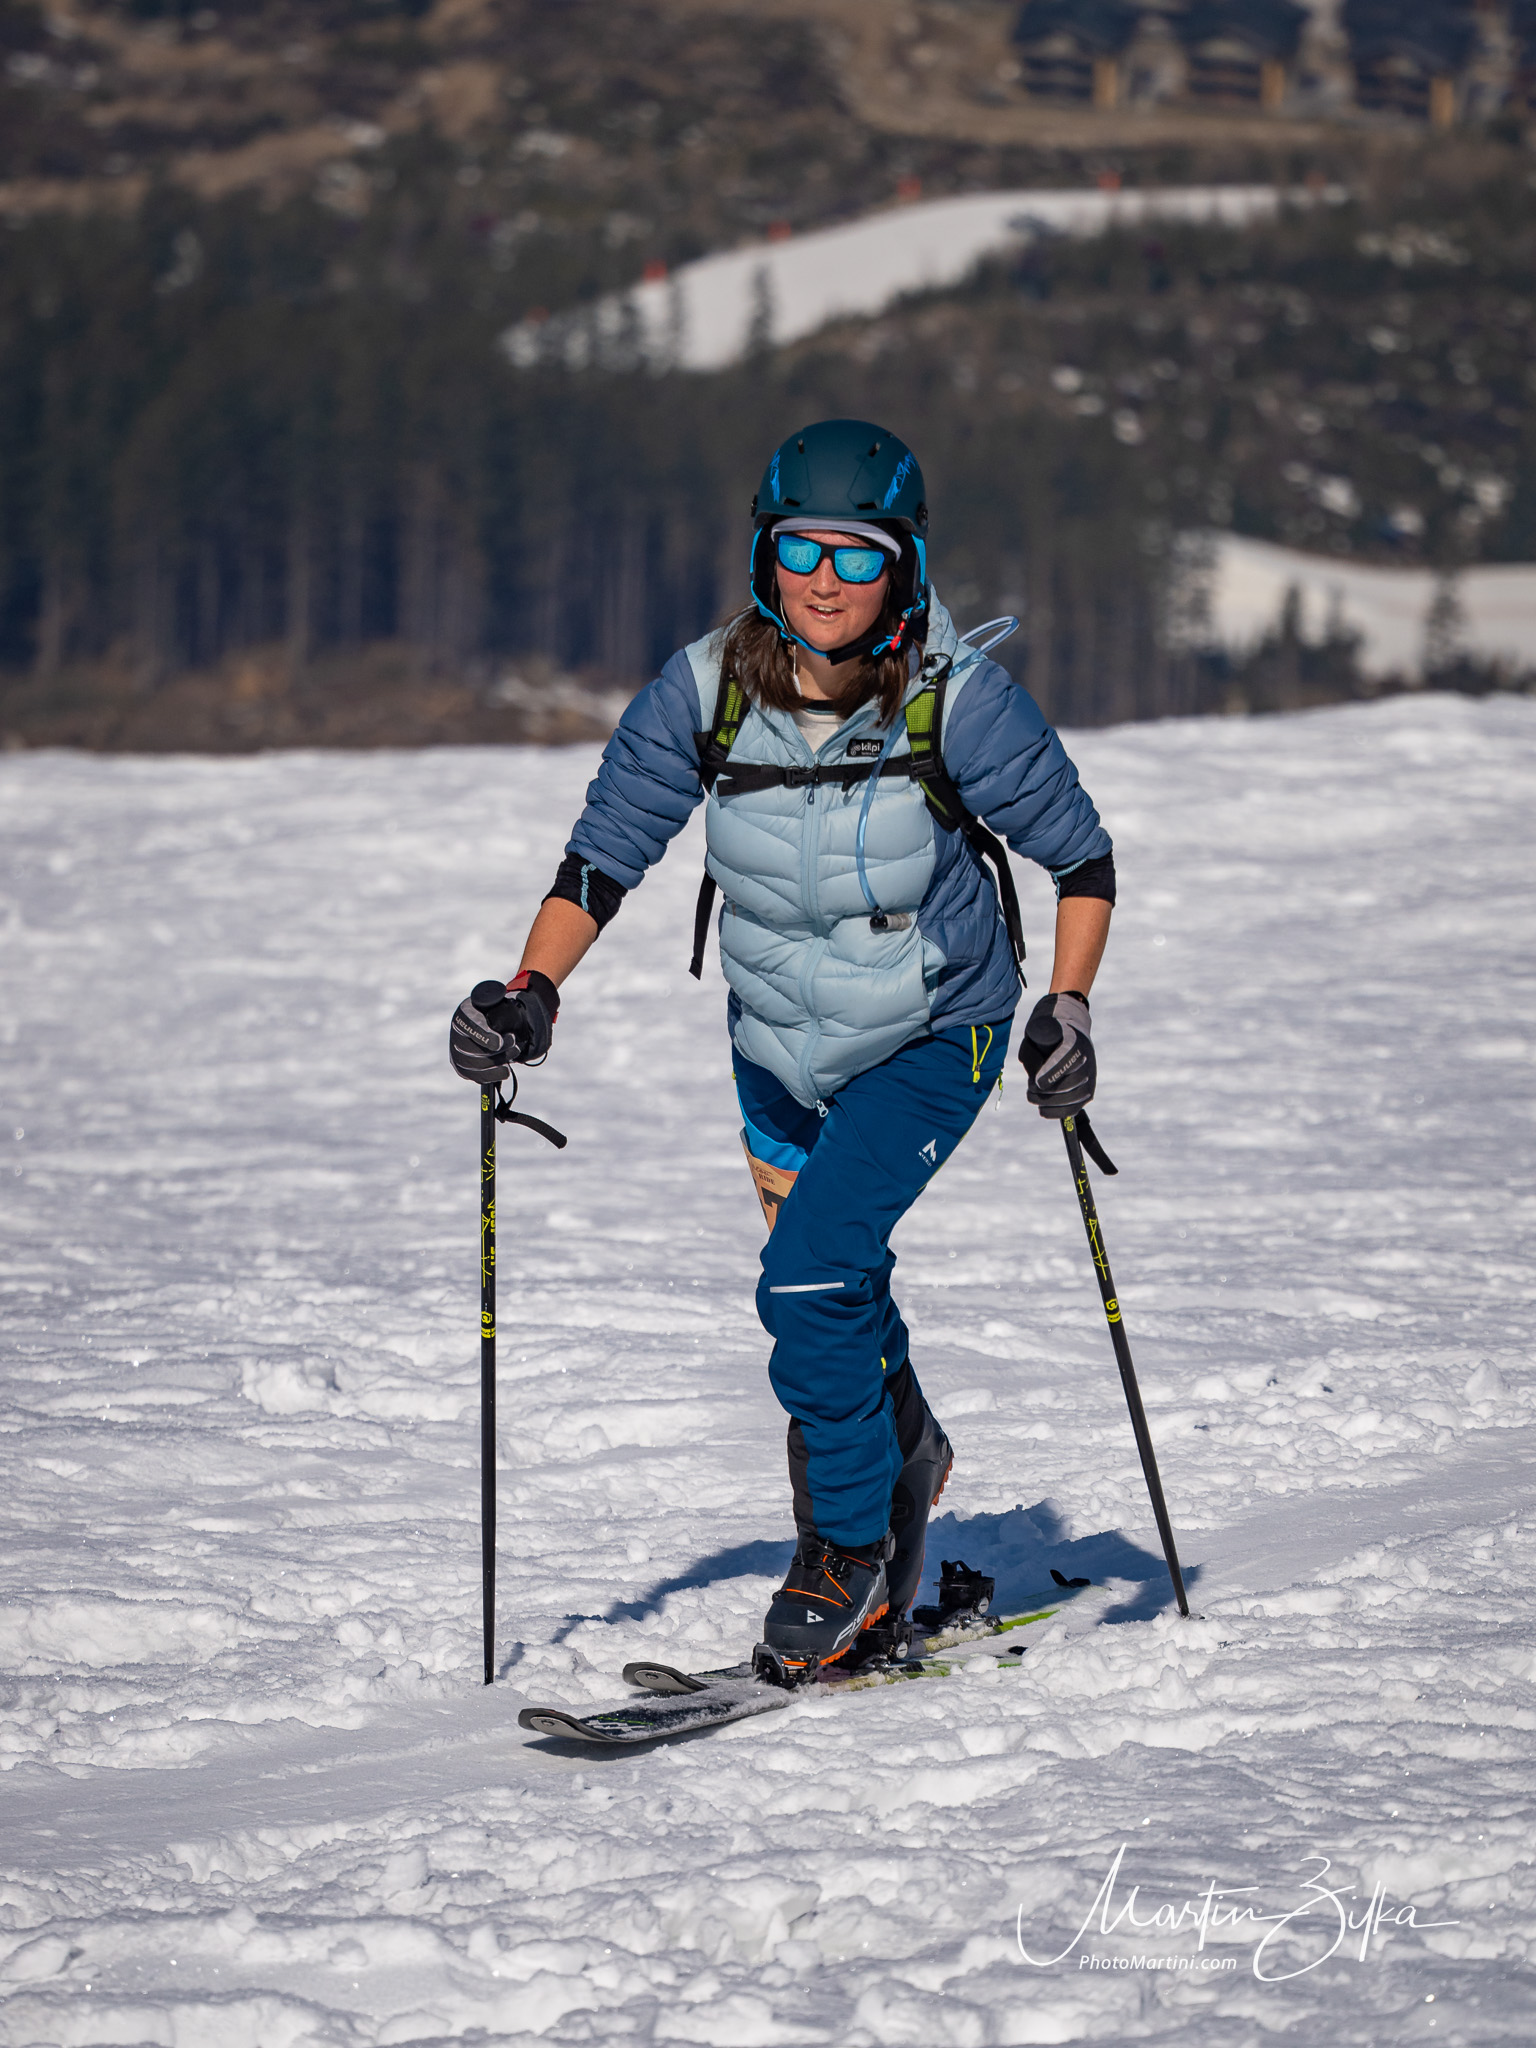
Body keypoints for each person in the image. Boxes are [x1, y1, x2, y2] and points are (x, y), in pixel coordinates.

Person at [449, 419, 1114, 1679]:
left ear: (904, 568)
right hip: (775, 1045)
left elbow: (1081, 858)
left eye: (858, 555)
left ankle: (845, 1553)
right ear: (764, 555)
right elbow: (602, 856)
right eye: (801, 548)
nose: (825, 578)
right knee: (833, 1280)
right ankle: (906, 1455)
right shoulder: (704, 692)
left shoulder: (957, 698)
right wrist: (531, 989)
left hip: (935, 1029)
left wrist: (1068, 1008)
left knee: (808, 1278)